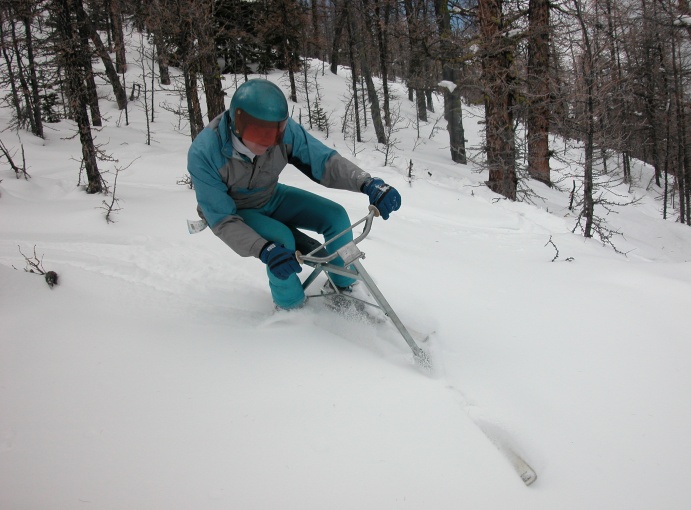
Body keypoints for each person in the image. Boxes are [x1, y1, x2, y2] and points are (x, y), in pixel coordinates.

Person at [187, 78, 401, 310]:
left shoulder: (284, 133)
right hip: (236, 211)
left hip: (270, 196)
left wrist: (367, 183)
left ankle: (343, 284)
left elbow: (323, 161)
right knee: (281, 241)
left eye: (275, 133)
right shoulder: (205, 152)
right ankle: (291, 308)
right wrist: (262, 248)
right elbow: (222, 219)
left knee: (335, 216)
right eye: (260, 133)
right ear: (238, 123)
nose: (268, 142)